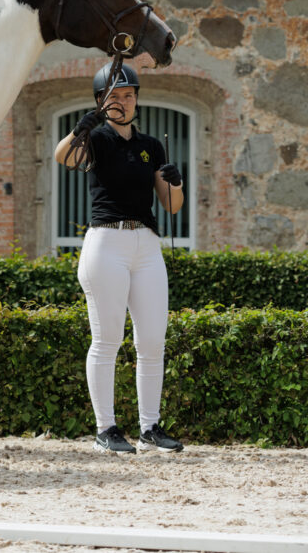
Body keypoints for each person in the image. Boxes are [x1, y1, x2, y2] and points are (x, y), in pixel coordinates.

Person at [54, 62, 185, 454]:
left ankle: (150, 428)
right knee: (107, 339)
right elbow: (64, 157)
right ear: (101, 101)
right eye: (114, 96)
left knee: (152, 342)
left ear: (136, 100)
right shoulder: (95, 140)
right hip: (106, 243)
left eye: (129, 95)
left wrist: (176, 181)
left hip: (146, 245)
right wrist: (82, 126)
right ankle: (105, 429)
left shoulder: (151, 147)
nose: (123, 102)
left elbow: (171, 205)